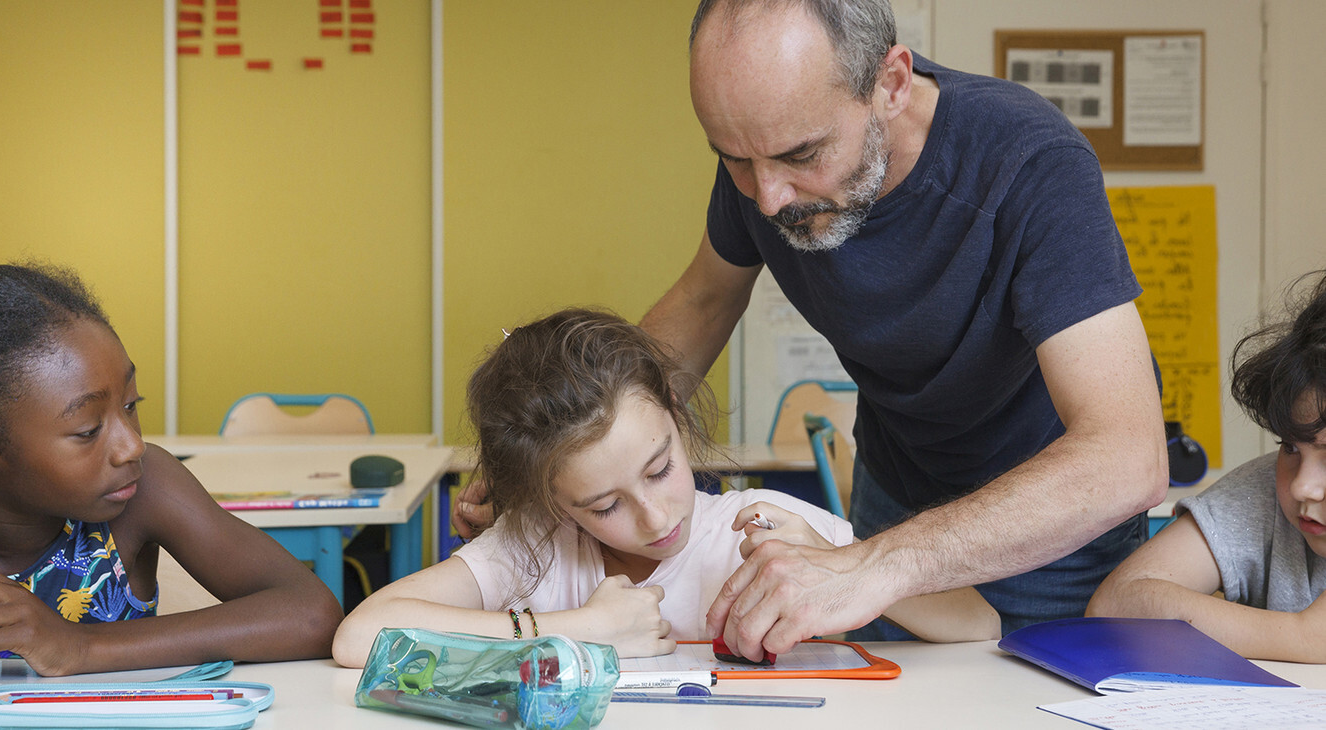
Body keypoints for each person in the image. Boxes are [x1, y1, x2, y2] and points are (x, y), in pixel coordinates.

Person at [456, 0, 1168, 660]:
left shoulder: (1028, 163)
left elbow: (1126, 458)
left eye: (801, 156)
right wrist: (556, 448)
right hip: (896, 503)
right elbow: (703, 304)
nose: (768, 197)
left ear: (890, 83)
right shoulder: (766, 151)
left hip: (1047, 529)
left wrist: (874, 564)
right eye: (735, 159)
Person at [333, 309, 998, 667]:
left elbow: (978, 625)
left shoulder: (757, 526)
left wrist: (844, 568)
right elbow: (359, 636)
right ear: (552, 503)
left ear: (679, 421)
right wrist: (578, 629)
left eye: (659, 468)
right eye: (605, 505)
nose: (654, 518)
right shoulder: (537, 545)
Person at [0, 263, 343, 675]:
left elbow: (312, 615)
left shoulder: (144, 490)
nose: (132, 445)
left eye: (130, 405)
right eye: (88, 430)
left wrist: (80, 646)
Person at [1087, 271, 1326, 662]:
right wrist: (1301, 637)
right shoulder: (1264, 492)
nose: (1303, 488)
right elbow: (1116, 603)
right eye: (1290, 447)